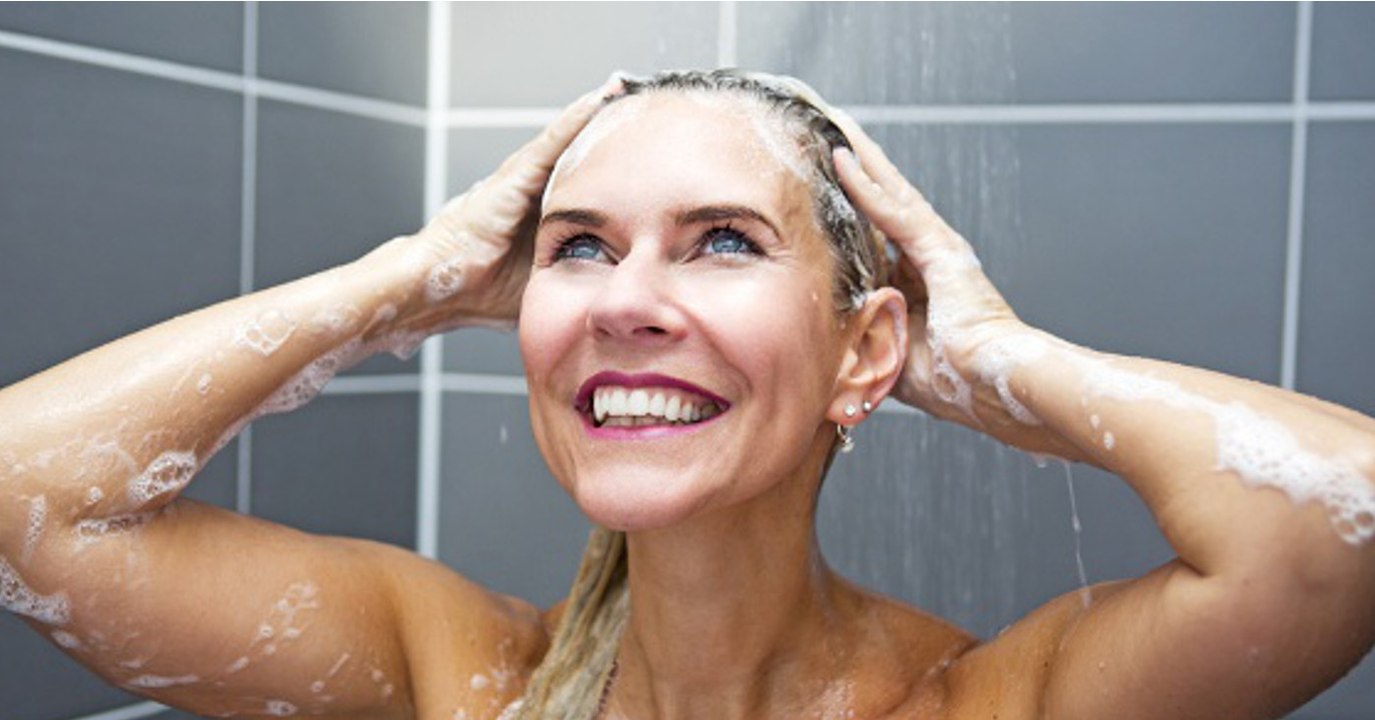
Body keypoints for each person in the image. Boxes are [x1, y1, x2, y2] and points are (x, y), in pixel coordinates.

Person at [0, 68, 1371, 720]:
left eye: (722, 240)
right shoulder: (460, 680)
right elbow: (29, 502)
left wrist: (1015, 368)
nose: (623, 299)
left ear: (865, 353)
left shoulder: (976, 709)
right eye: (578, 245)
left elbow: (1338, 539)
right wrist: (402, 282)